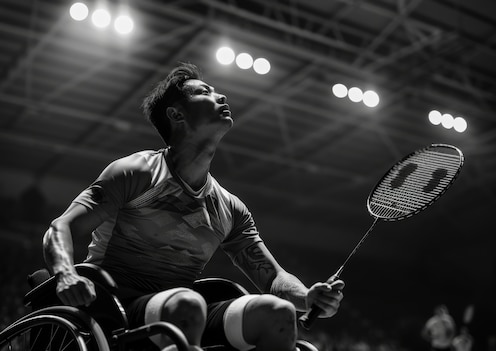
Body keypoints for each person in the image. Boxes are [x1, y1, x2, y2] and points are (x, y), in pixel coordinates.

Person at [42, 63, 344, 351]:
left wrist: (306, 296)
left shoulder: (230, 209)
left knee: (276, 312)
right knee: (187, 303)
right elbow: (61, 227)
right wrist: (66, 274)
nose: (221, 96)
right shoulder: (138, 172)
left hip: (187, 311)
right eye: (204, 92)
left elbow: (273, 278)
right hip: (115, 306)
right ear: (176, 114)